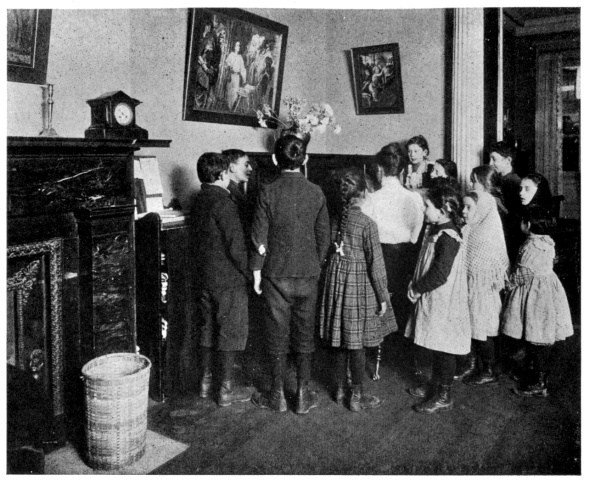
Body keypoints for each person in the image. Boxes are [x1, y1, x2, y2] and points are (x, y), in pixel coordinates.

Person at [250, 135, 330, 414]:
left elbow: (258, 236)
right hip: (308, 273)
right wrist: (316, 264)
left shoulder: (267, 191)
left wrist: (257, 271)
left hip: (276, 274)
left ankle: (277, 395)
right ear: (305, 159)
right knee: (305, 333)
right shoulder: (316, 192)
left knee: (277, 333)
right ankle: (303, 394)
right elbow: (324, 236)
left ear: (275, 159)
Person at [318, 168, 397, 412]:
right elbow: (376, 264)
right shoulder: (368, 224)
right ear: (363, 193)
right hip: (358, 282)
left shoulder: (336, 219)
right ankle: (357, 395)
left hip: (336, 279)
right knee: (357, 341)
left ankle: (340, 389)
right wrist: (382, 296)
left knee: (340, 338)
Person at [190, 152, 255, 407]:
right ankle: (226, 390)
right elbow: (236, 247)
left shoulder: (199, 199)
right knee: (230, 330)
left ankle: (205, 383)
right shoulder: (224, 203)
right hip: (228, 279)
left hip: (204, 277)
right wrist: (250, 273)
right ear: (221, 174)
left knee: (207, 328)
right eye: (227, 171)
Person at [405, 184, 470, 414]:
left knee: (444, 349)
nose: (424, 210)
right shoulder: (436, 230)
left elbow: (440, 274)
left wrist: (418, 289)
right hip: (434, 297)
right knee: (435, 344)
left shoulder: (448, 236)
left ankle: (444, 395)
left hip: (443, 299)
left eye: (427, 206)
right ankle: (435, 384)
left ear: (444, 209)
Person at [501, 206, 574, 397]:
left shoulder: (530, 246)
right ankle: (533, 373)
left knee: (535, 336)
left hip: (534, 294)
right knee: (536, 334)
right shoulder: (547, 241)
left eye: (522, 221)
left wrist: (507, 284)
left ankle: (539, 381)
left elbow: (523, 273)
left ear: (528, 224)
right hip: (547, 290)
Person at [361, 143, 424, 332]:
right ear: (403, 170)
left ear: (379, 169)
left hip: (379, 257)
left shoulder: (371, 200)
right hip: (407, 258)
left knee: (380, 307)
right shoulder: (415, 198)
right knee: (402, 308)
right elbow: (416, 236)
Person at [461, 191, 510, 387]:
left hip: (484, 291)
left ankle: (488, 369)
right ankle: (475, 364)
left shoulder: (486, 234)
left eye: (469, 207)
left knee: (483, 331)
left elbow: (490, 265)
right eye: (463, 206)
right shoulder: (469, 229)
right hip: (471, 287)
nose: (463, 211)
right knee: (474, 329)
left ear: (482, 209)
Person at [223, 149, 253, 231]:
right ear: (232, 167)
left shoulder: (235, 190)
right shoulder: (229, 192)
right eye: (246, 165)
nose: (250, 168)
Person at [488, 141, 521, 216]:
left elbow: (514, 213)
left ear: (508, 160)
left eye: (494, 159)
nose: (490, 163)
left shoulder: (514, 181)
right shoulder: (498, 179)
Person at [225, 41, 246, 110]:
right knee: (229, 93)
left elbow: (242, 69)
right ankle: (229, 108)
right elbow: (227, 63)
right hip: (231, 76)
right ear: (234, 46)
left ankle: (232, 109)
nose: (238, 47)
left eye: (239, 46)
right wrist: (229, 68)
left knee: (235, 93)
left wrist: (244, 79)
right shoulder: (231, 55)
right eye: (237, 45)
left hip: (237, 77)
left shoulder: (240, 57)